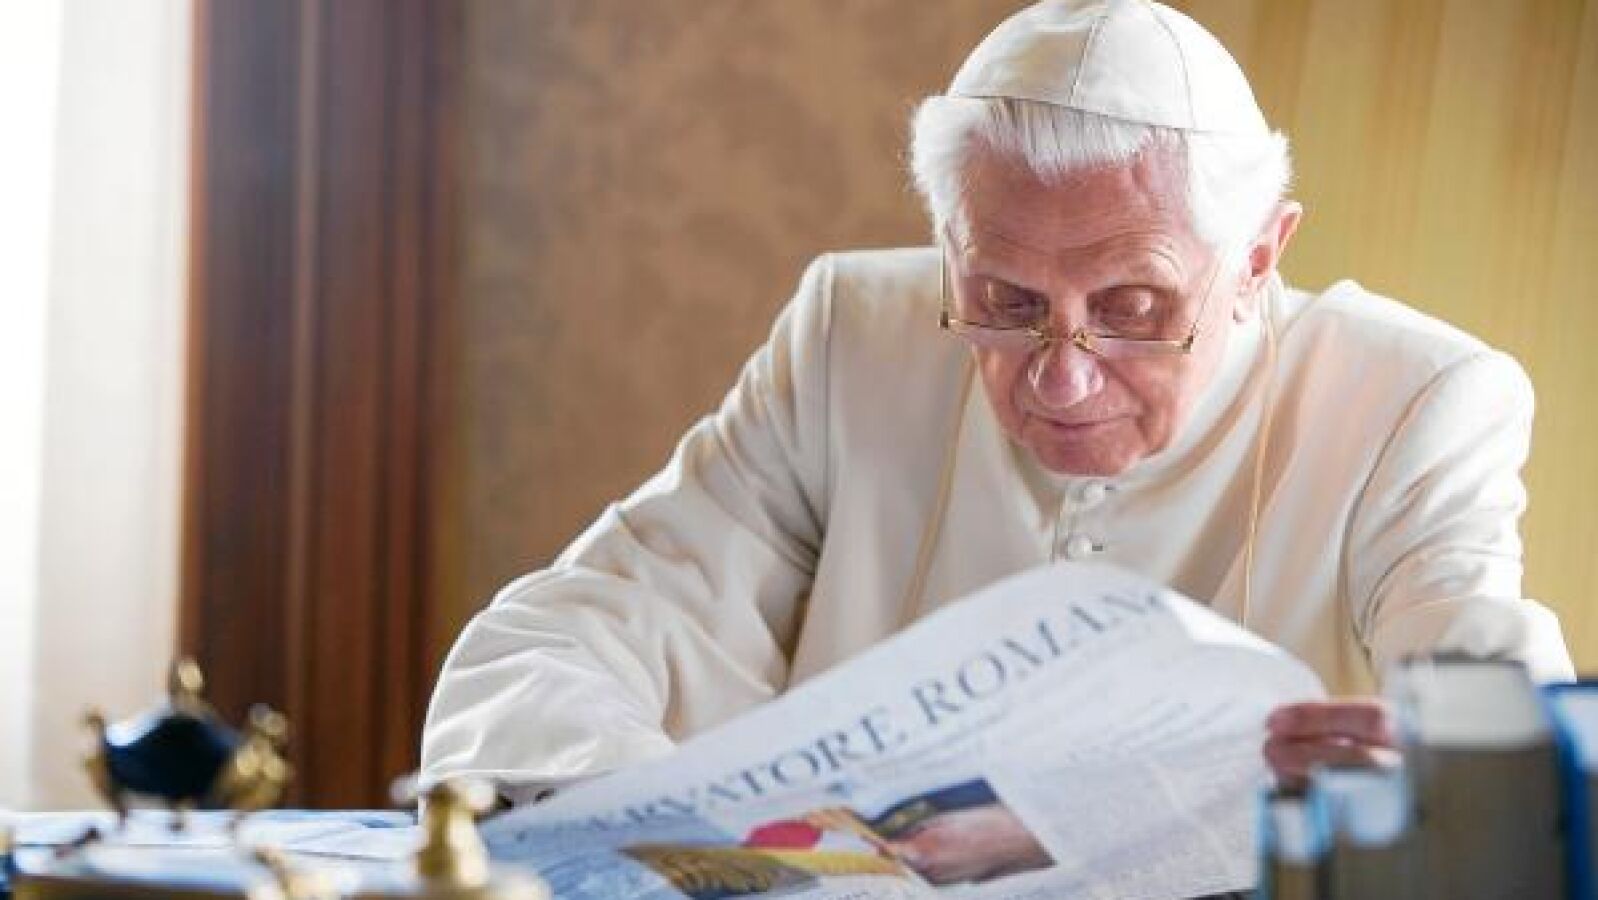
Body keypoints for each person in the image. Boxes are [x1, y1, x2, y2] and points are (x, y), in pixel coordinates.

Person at [420, 0, 1573, 809]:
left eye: (1131, 307)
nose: (1060, 377)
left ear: (1258, 258)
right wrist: (653, 822)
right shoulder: (852, 336)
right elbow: (564, 639)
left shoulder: (1410, 400)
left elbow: (1498, 708)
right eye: (1003, 301)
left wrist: (1445, 774)